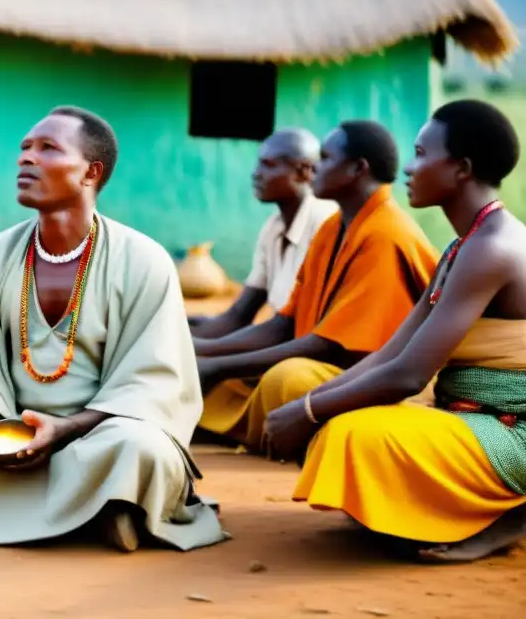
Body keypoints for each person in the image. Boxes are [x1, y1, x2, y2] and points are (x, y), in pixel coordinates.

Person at [0, 105, 225, 553]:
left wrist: (66, 429)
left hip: (99, 436)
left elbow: (153, 383)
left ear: (91, 172)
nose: (25, 158)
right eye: (25, 148)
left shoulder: (144, 261)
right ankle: (100, 511)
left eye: (47, 148)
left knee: (141, 449)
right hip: (7, 426)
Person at [266, 99, 526, 563]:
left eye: (422, 153)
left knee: (351, 436)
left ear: (462, 168)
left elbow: (408, 374)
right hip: (464, 418)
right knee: (338, 427)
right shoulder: (463, 245)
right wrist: (304, 408)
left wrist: (305, 411)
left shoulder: (492, 248)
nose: (408, 168)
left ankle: (508, 513)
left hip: (511, 432)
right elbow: (392, 352)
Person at [195, 121, 439, 451]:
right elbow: (284, 324)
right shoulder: (332, 229)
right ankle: (245, 424)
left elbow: (333, 346)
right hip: (324, 368)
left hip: (371, 379)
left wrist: (217, 365)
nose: (315, 169)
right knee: (244, 378)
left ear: (357, 168)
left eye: (324, 159)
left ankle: (257, 430)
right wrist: (204, 357)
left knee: (287, 379)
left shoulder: (385, 234)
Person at [190, 128, 336, 339]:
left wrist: (202, 351)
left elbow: (289, 330)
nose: (256, 173)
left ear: (304, 171)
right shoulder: (274, 227)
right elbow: (239, 315)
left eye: (268, 165)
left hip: (304, 354)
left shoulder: (325, 224)